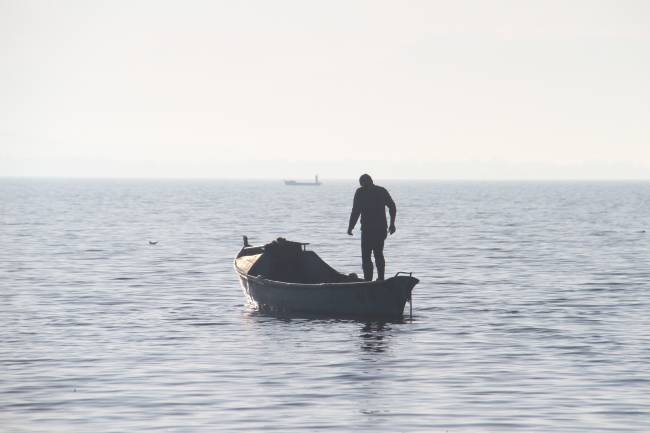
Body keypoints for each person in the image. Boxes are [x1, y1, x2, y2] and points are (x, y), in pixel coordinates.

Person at [347, 174, 396, 281]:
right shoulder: (377, 191)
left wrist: (392, 224)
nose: (362, 185)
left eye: (363, 183)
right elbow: (356, 211)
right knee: (371, 255)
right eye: (361, 183)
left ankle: (377, 279)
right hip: (372, 229)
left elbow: (392, 207)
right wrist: (351, 227)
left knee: (374, 254)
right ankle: (370, 280)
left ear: (369, 181)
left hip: (375, 229)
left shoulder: (366, 192)